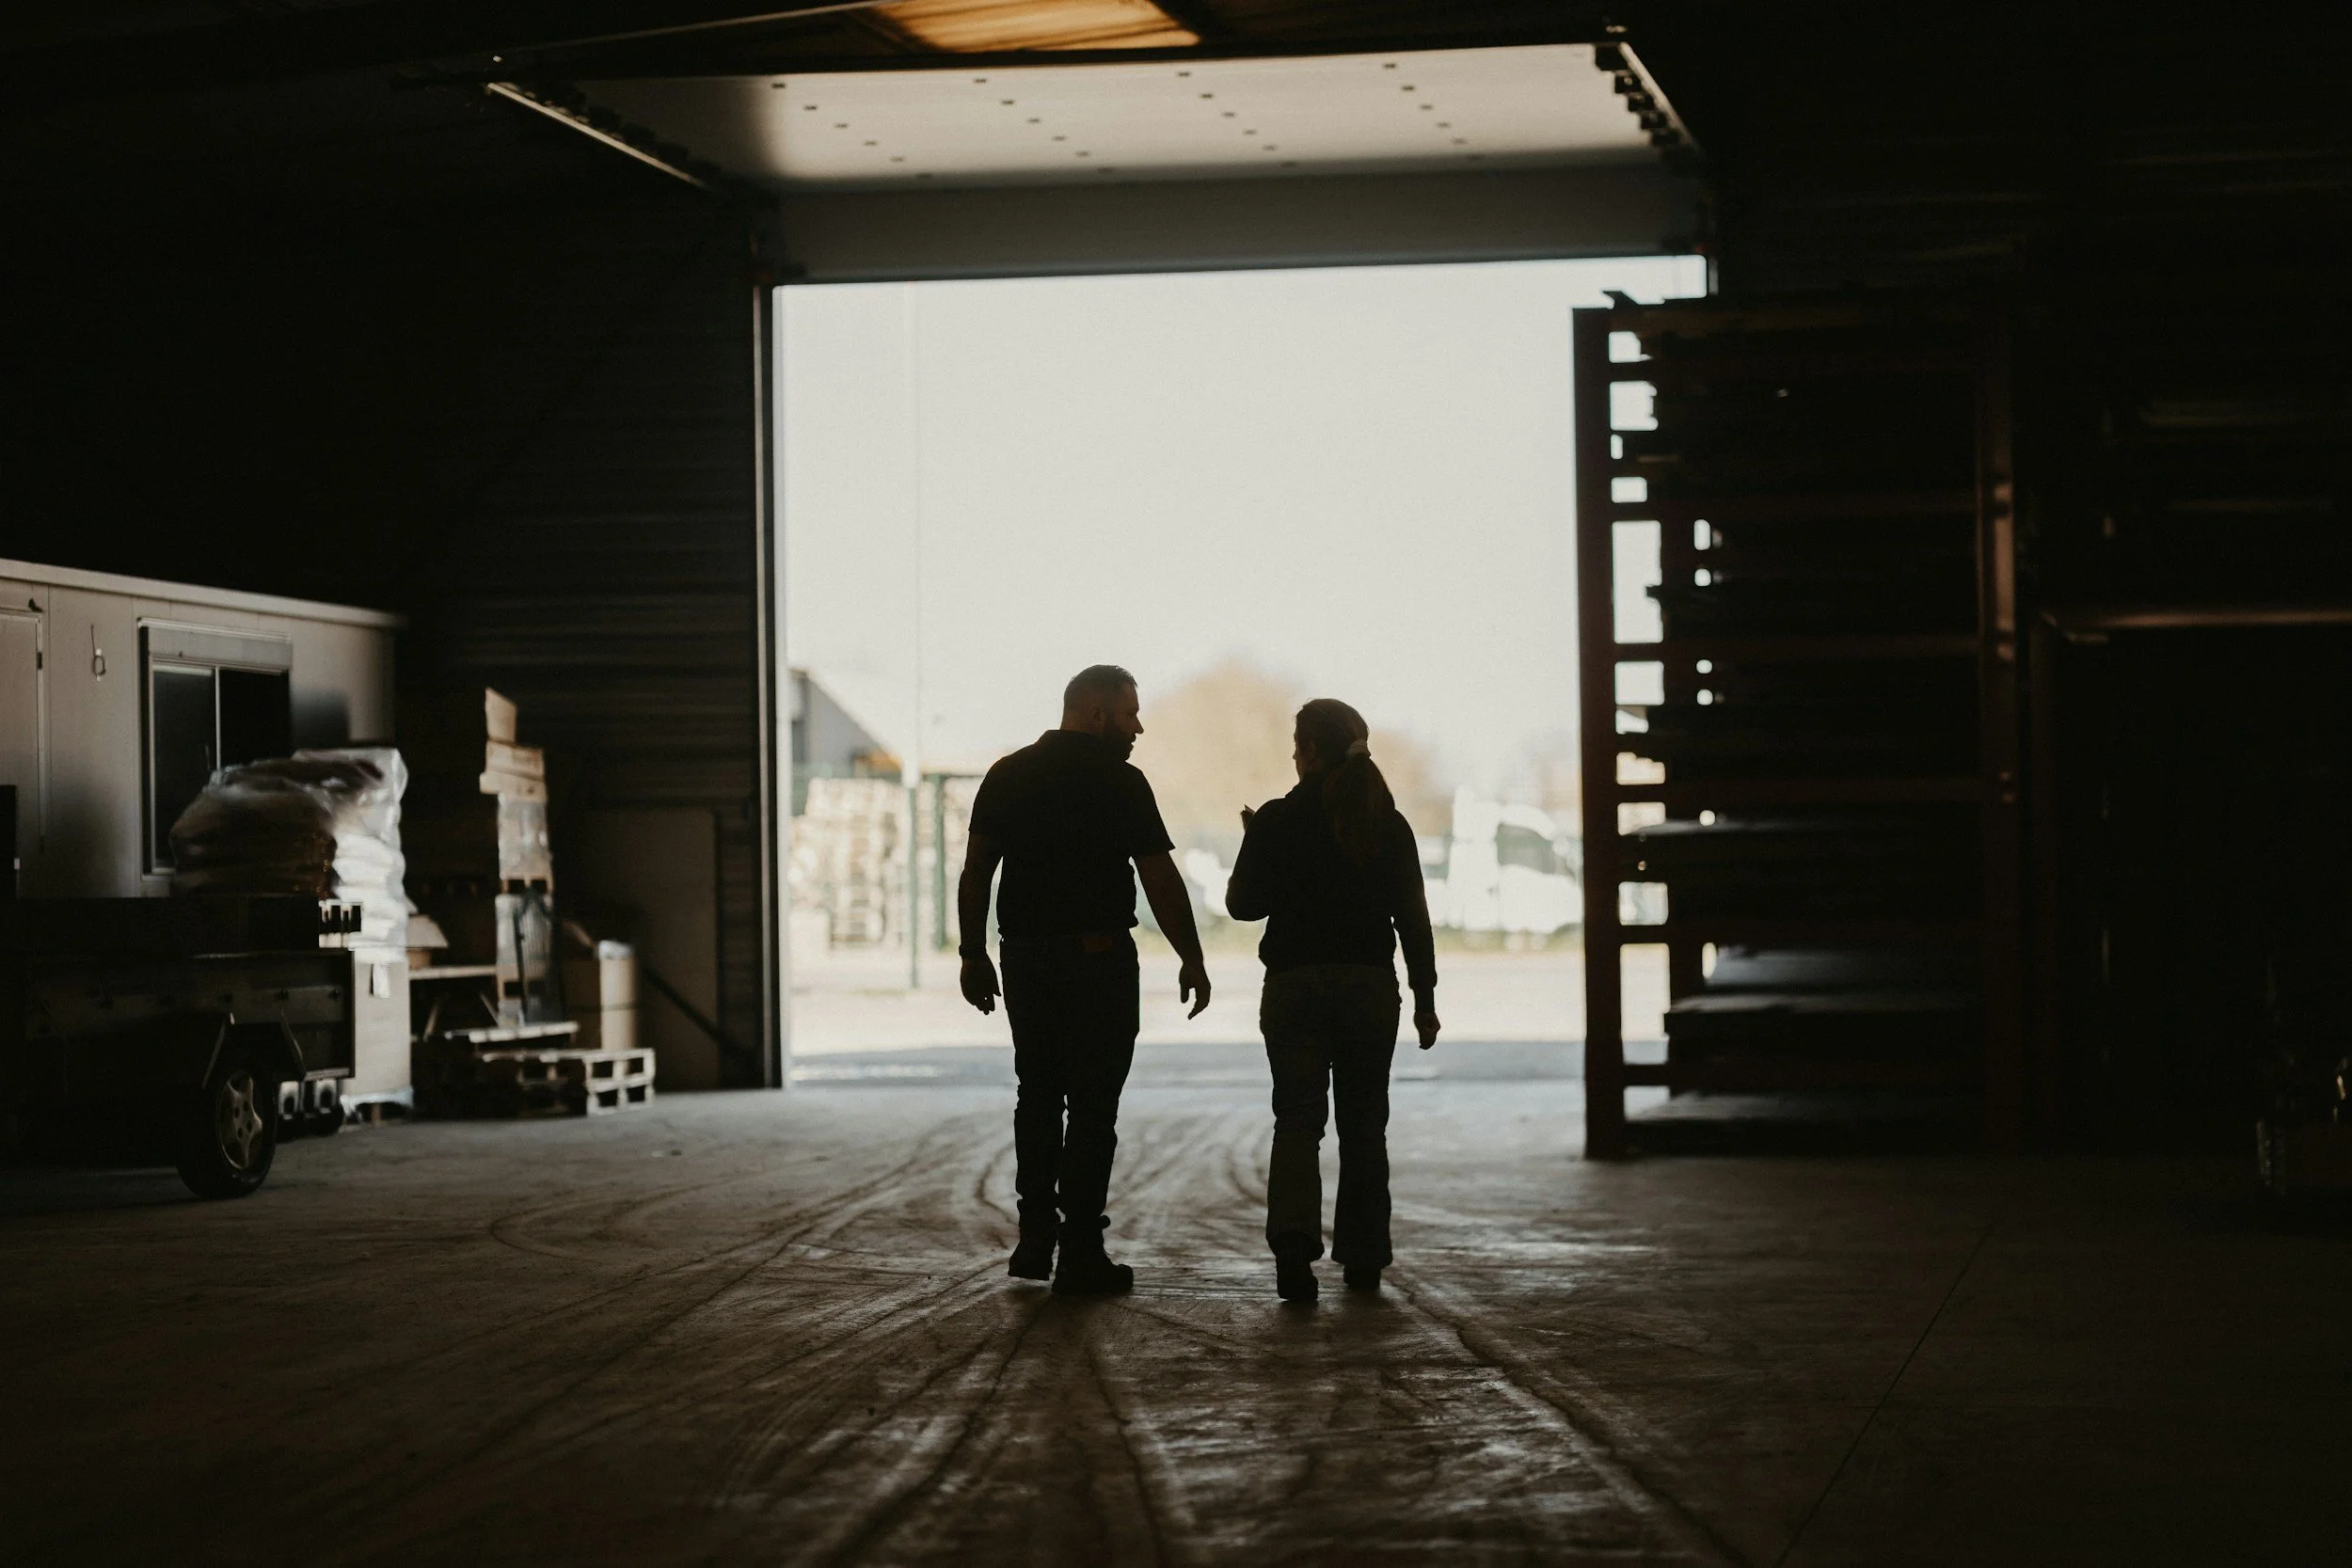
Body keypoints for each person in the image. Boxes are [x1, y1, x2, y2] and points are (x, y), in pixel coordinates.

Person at [958, 664, 1212, 1295]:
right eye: (1130, 713)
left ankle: (1035, 1235)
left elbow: (976, 872)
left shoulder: (1008, 773)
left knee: (1038, 1093)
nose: (1138, 726)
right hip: (1099, 962)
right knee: (1094, 1107)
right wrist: (1192, 956)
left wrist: (971, 952)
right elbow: (1159, 877)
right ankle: (1081, 1251)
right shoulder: (1121, 781)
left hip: (1024, 959)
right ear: (1096, 712)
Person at [1225, 698, 1439, 1303]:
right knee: (1365, 1126)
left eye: (1297, 744)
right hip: (1369, 989)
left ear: (1310, 751)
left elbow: (1242, 905)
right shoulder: (1386, 822)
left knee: (1297, 1122)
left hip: (1293, 988)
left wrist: (1258, 844)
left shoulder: (1276, 820)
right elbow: (1413, 920)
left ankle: (1294, 1259)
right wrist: (1425, 996)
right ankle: (1364, 1261)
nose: (1293, 755)